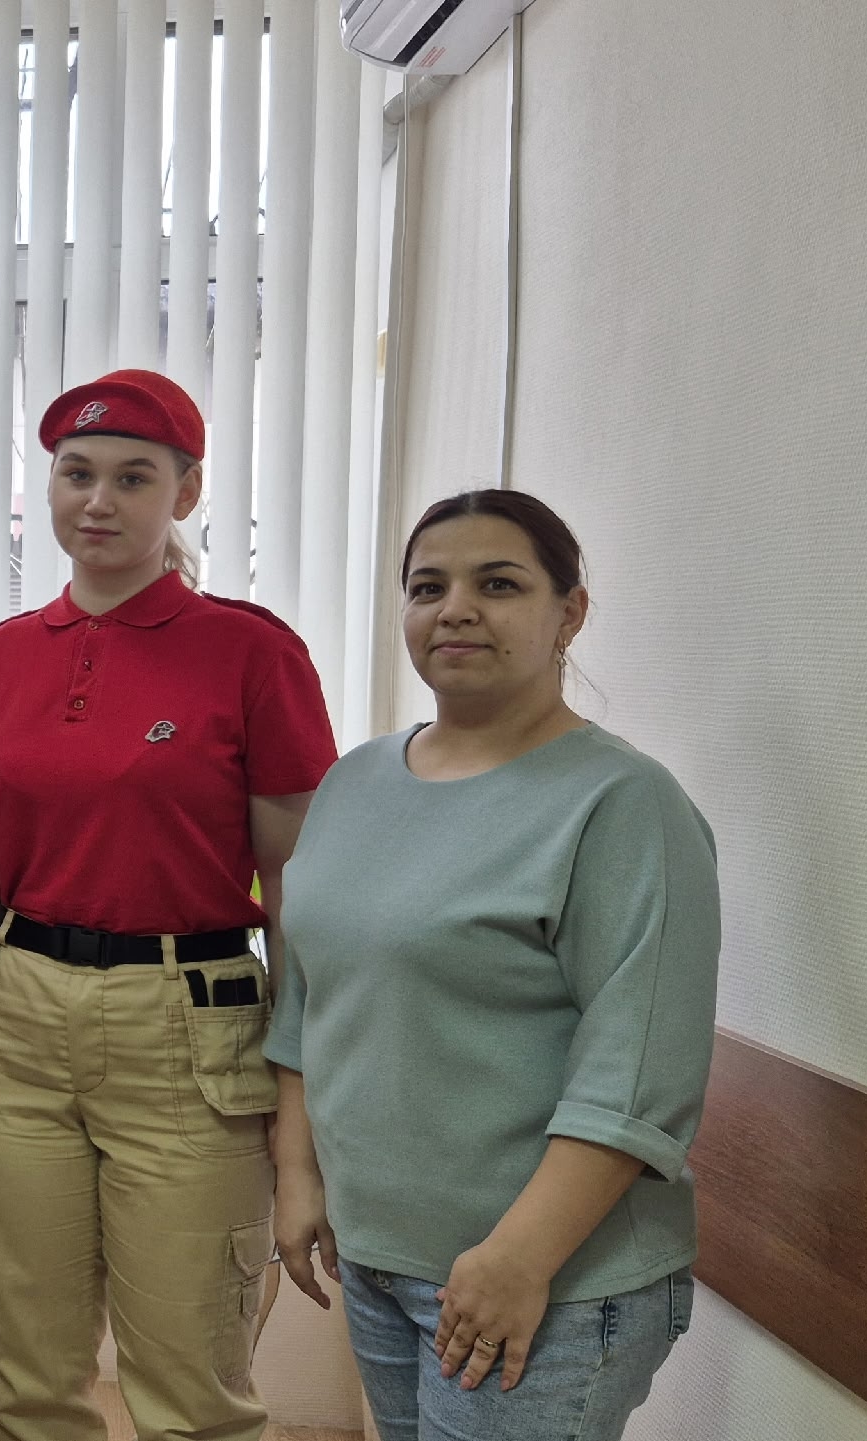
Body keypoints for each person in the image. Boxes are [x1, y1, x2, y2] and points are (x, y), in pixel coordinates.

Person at [267, 490, 717, 1441]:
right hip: (378, 1257)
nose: (456, 609)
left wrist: (519, 1257)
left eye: (499, 584)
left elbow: (636, 1076)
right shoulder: (355, 780)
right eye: (428, 587)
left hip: (545, 1281)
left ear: (570, 612)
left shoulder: (622, 802)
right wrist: (298, 1172)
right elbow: (308, 993)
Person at [0, 370, 336, 1441]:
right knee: (27, 1378)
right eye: (77, 474)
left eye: (133, 478)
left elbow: (297, 890)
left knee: (191, 1393)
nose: (98, 501)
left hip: (188, 1029)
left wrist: (300, 1104)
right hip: (15, 1019)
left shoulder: (252, 653)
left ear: (185, 493)